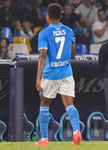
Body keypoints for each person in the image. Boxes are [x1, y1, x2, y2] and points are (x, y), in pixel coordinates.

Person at [35, 3, 81, 146]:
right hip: (66, 73)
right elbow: (73, 54)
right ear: (61, 16)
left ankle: (44, 139)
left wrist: (38, 78)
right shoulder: (69, 31)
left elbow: (43, 56)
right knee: (69, 105)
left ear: (47, 16)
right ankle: (76, 132)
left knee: (44, 105)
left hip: (50, 75)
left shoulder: (44, 33)